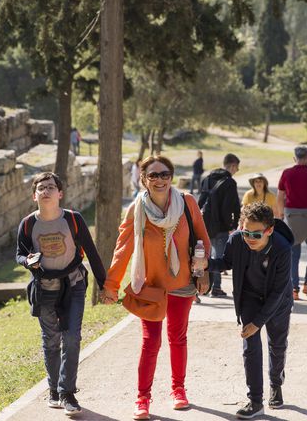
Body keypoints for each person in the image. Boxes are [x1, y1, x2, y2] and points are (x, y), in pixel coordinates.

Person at [101, 156, 211, 420]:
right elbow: (123, 248)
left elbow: (203, 239)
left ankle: (178, 390)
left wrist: (204, 267)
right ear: (144, 179)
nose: (160, 180)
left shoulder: (187, 203)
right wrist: (111, 285)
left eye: (165, 174)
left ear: (171, 177)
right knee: (151, 342)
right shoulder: (136, 209)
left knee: (178, 337)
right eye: (153, 175)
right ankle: (142, 398)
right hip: (150, 286)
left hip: (182, 283)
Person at [15, 171, 106, 417]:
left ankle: (67, 392)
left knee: (73, 337)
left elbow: (92, 254)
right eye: (41, 188)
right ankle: (53, 389)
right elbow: (19, 254)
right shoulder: (27, 224)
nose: (46, 191)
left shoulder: (73, 219)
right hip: (44, 289)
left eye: (50, 187)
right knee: (51, 341)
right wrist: (28, 261)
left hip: (73, 285)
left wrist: (104, 285)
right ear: (34, 195)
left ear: (60, 193)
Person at [209, 203, 293, 419]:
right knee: (251, 347)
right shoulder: (237, 239)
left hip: (278, 302)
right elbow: (226, 262)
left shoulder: (282, 249)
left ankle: (276, 382)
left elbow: (278, 292)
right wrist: (205, 264)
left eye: (256, 234)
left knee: (277, 345)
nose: (250, 238)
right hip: (250, 299)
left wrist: (259, 322)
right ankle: (255, 401)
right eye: (246, 232)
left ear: (269, 230)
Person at [276, 146, 307, 300]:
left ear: (294, 158)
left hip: (291, 216)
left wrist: (280, 215)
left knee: (293, 253)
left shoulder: (286, 173)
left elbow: (279, 197)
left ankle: (294, 289)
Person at [198, 153, 241, 297]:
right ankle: (216, 288)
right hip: (221, 226)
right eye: (237, 168)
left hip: (204, 225)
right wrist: (232, 225)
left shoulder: (207, 179)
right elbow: (233, 206)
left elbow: (200, 201)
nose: (236, 171)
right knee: (219, 258)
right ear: (232, 165)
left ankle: (200, 286)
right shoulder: (230, 182)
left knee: (203, 255)